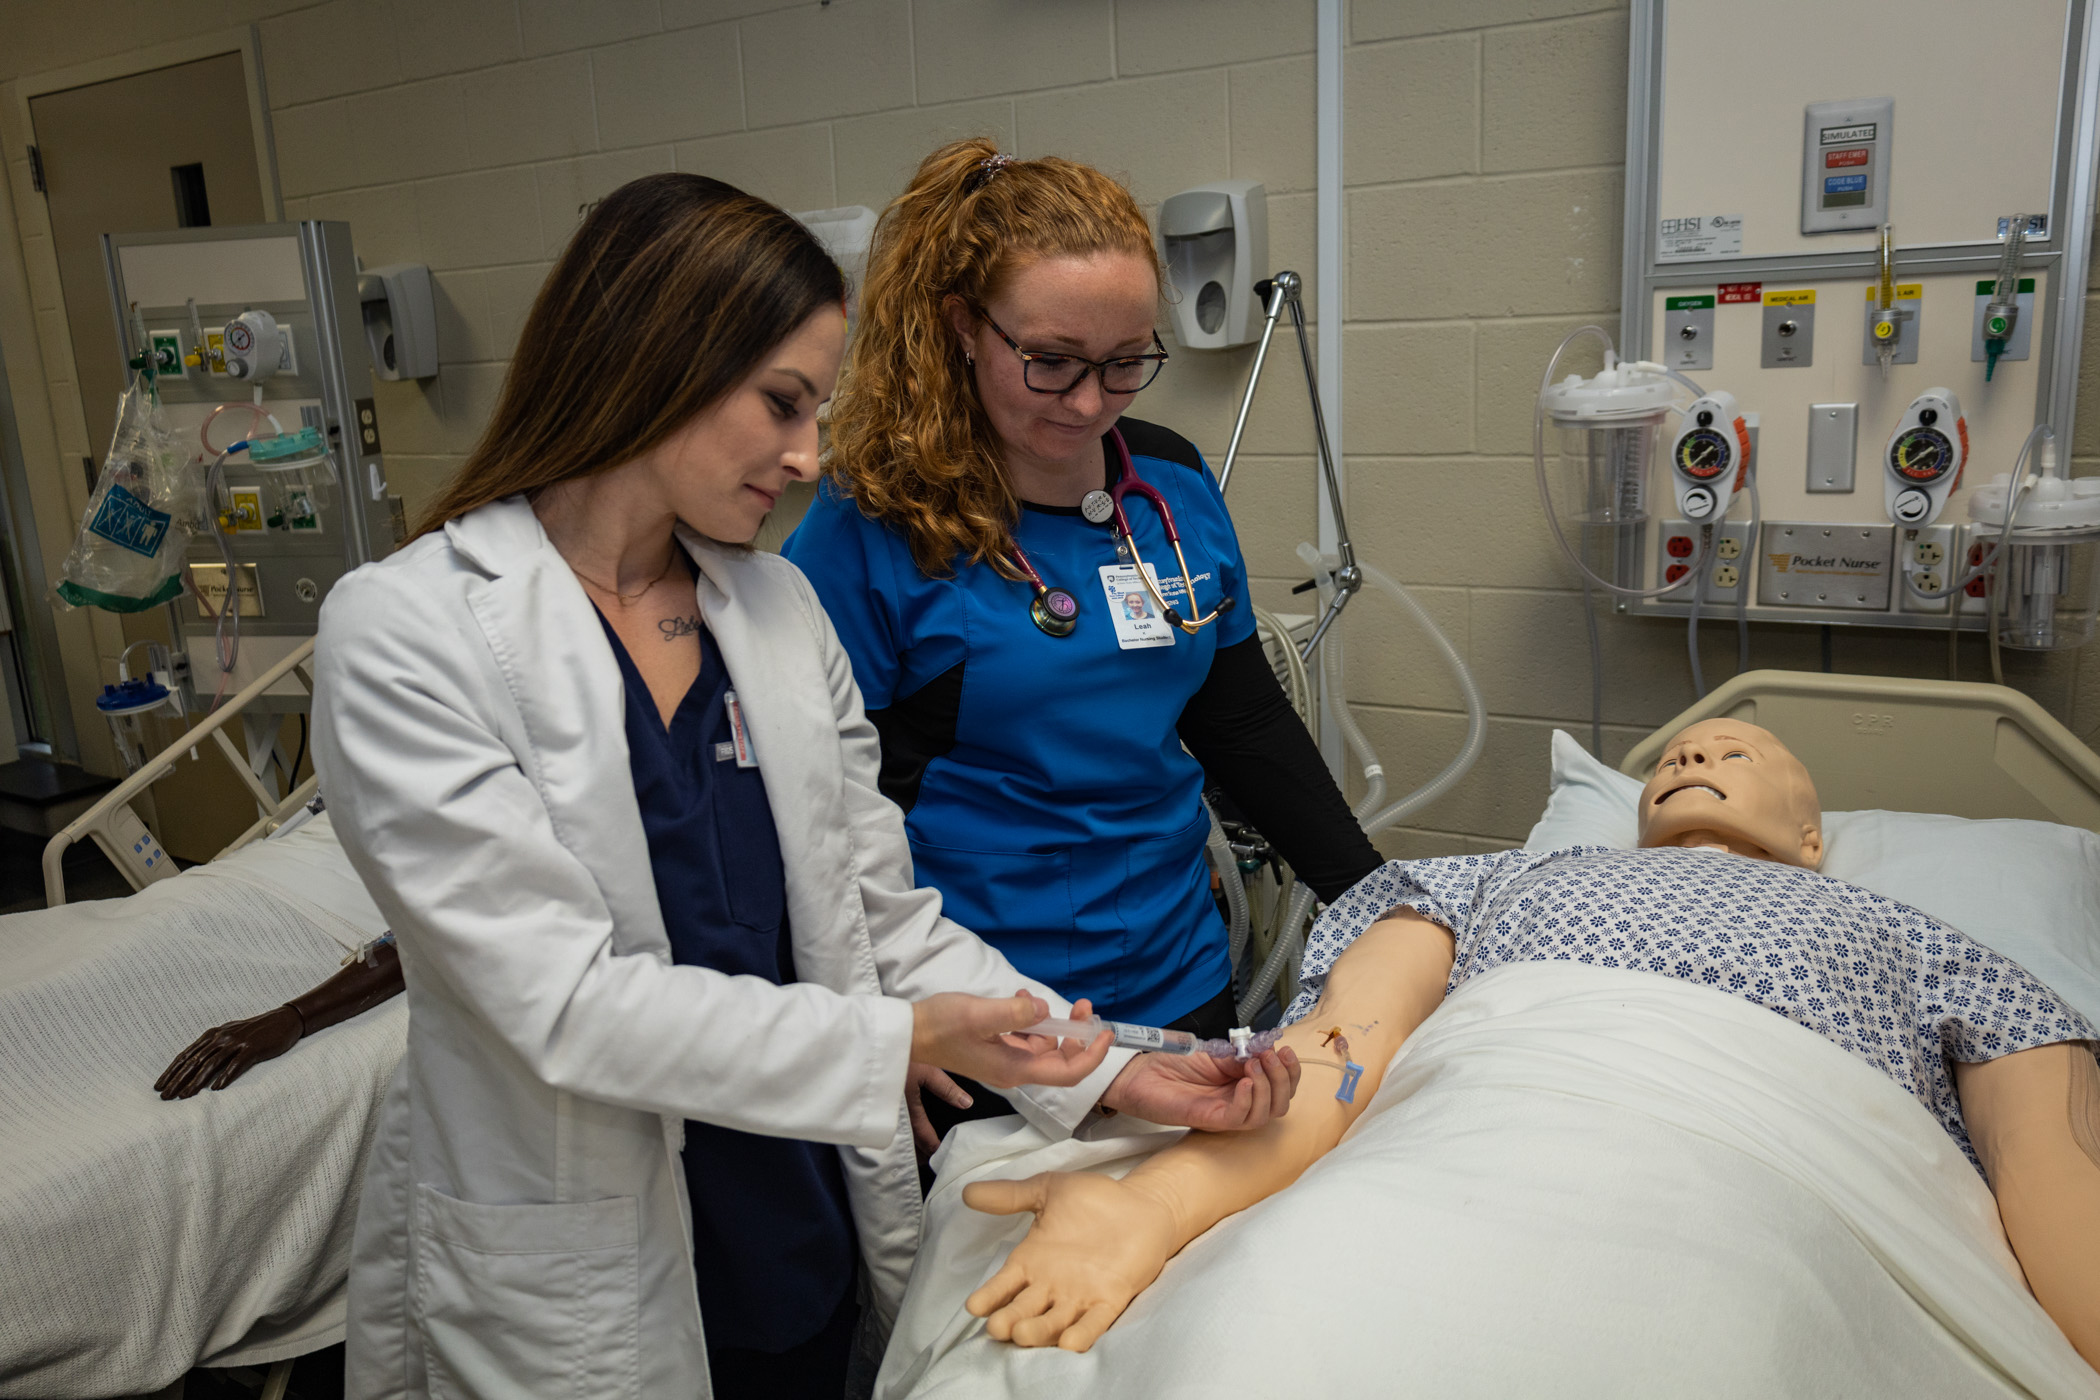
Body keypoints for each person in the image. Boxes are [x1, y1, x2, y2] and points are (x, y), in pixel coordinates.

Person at [309, 174, 1295, 1400]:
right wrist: (897, 1037)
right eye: (781, 402)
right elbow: (560, 1004)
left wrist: (1116, 1069)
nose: (808, 453)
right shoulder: (412, 628)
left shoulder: (772, 610)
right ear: (645, 363)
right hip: (577, 1246)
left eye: (817, 407)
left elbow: (883, 912)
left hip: (796, 1207)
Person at [959, 719, 2100, 1368]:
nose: (1693, 753)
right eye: (1674, 755)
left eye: (1738, 752)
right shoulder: (1490, 879)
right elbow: (1338, 1051)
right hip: (1475, 1125)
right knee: (1273, 1322)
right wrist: (1152, 1202)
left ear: (1814, 836)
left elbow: (2054, 1176)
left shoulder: (1924, 938)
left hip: (1759, 1177)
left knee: (1717, 1343)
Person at [784, 139, 1381, 1147]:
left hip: (1179, 979)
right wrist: (893, 1015)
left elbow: (1240, 723)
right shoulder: (871, 526)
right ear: (963, 327)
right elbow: (822, 818)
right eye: (1051, 362)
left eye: (1124, 363)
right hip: (986, 1019)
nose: (1091, 403)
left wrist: (1379, 904)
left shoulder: (1173, 484)